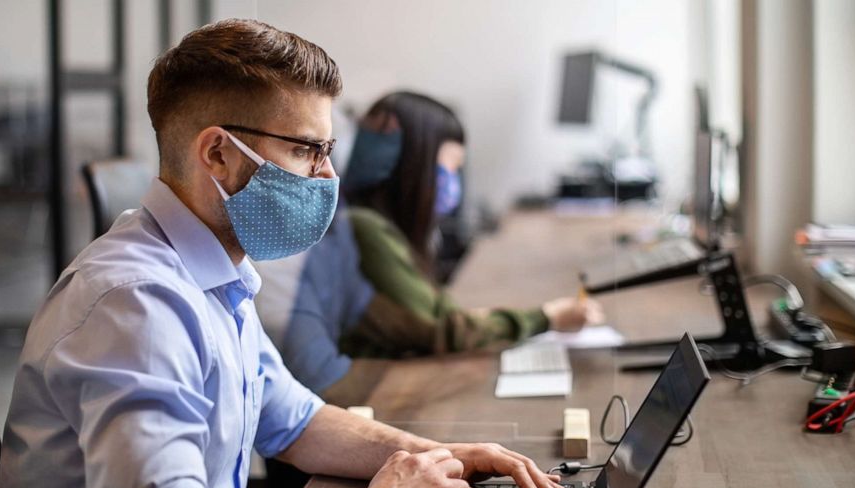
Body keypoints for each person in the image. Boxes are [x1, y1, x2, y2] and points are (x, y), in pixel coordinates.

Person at [0, 20, 564, 488]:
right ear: (218, 155)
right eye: (308, 150)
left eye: (327, 151)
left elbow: (295, 421)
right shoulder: (135, 304)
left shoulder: (216, 274)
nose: (329, 176)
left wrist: (437, 458)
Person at [255, 92, 603, 396]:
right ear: (414, 165)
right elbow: (442, 329)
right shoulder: (364, 228)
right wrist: (547, 316)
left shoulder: (367, 220)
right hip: (361, 397)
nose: (453, 182)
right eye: (449, 167)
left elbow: (436, 316)